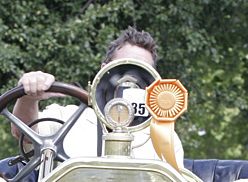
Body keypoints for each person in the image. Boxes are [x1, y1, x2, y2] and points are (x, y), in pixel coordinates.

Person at [12, 26, 184, 167]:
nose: (129, 83)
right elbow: (24, 134)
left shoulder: (163, 139)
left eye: (141, 74)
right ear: (103, 70)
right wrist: (28, 96)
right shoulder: (66, 118)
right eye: (122, 69)